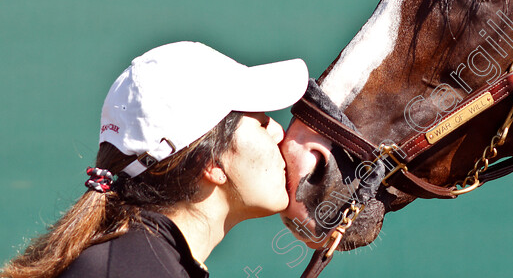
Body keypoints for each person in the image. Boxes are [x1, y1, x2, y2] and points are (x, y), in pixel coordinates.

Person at [1, 41, 308, 278]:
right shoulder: (133, 269)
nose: (279, 133)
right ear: (210, 164)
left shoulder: (134, 261)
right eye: (262, 122)